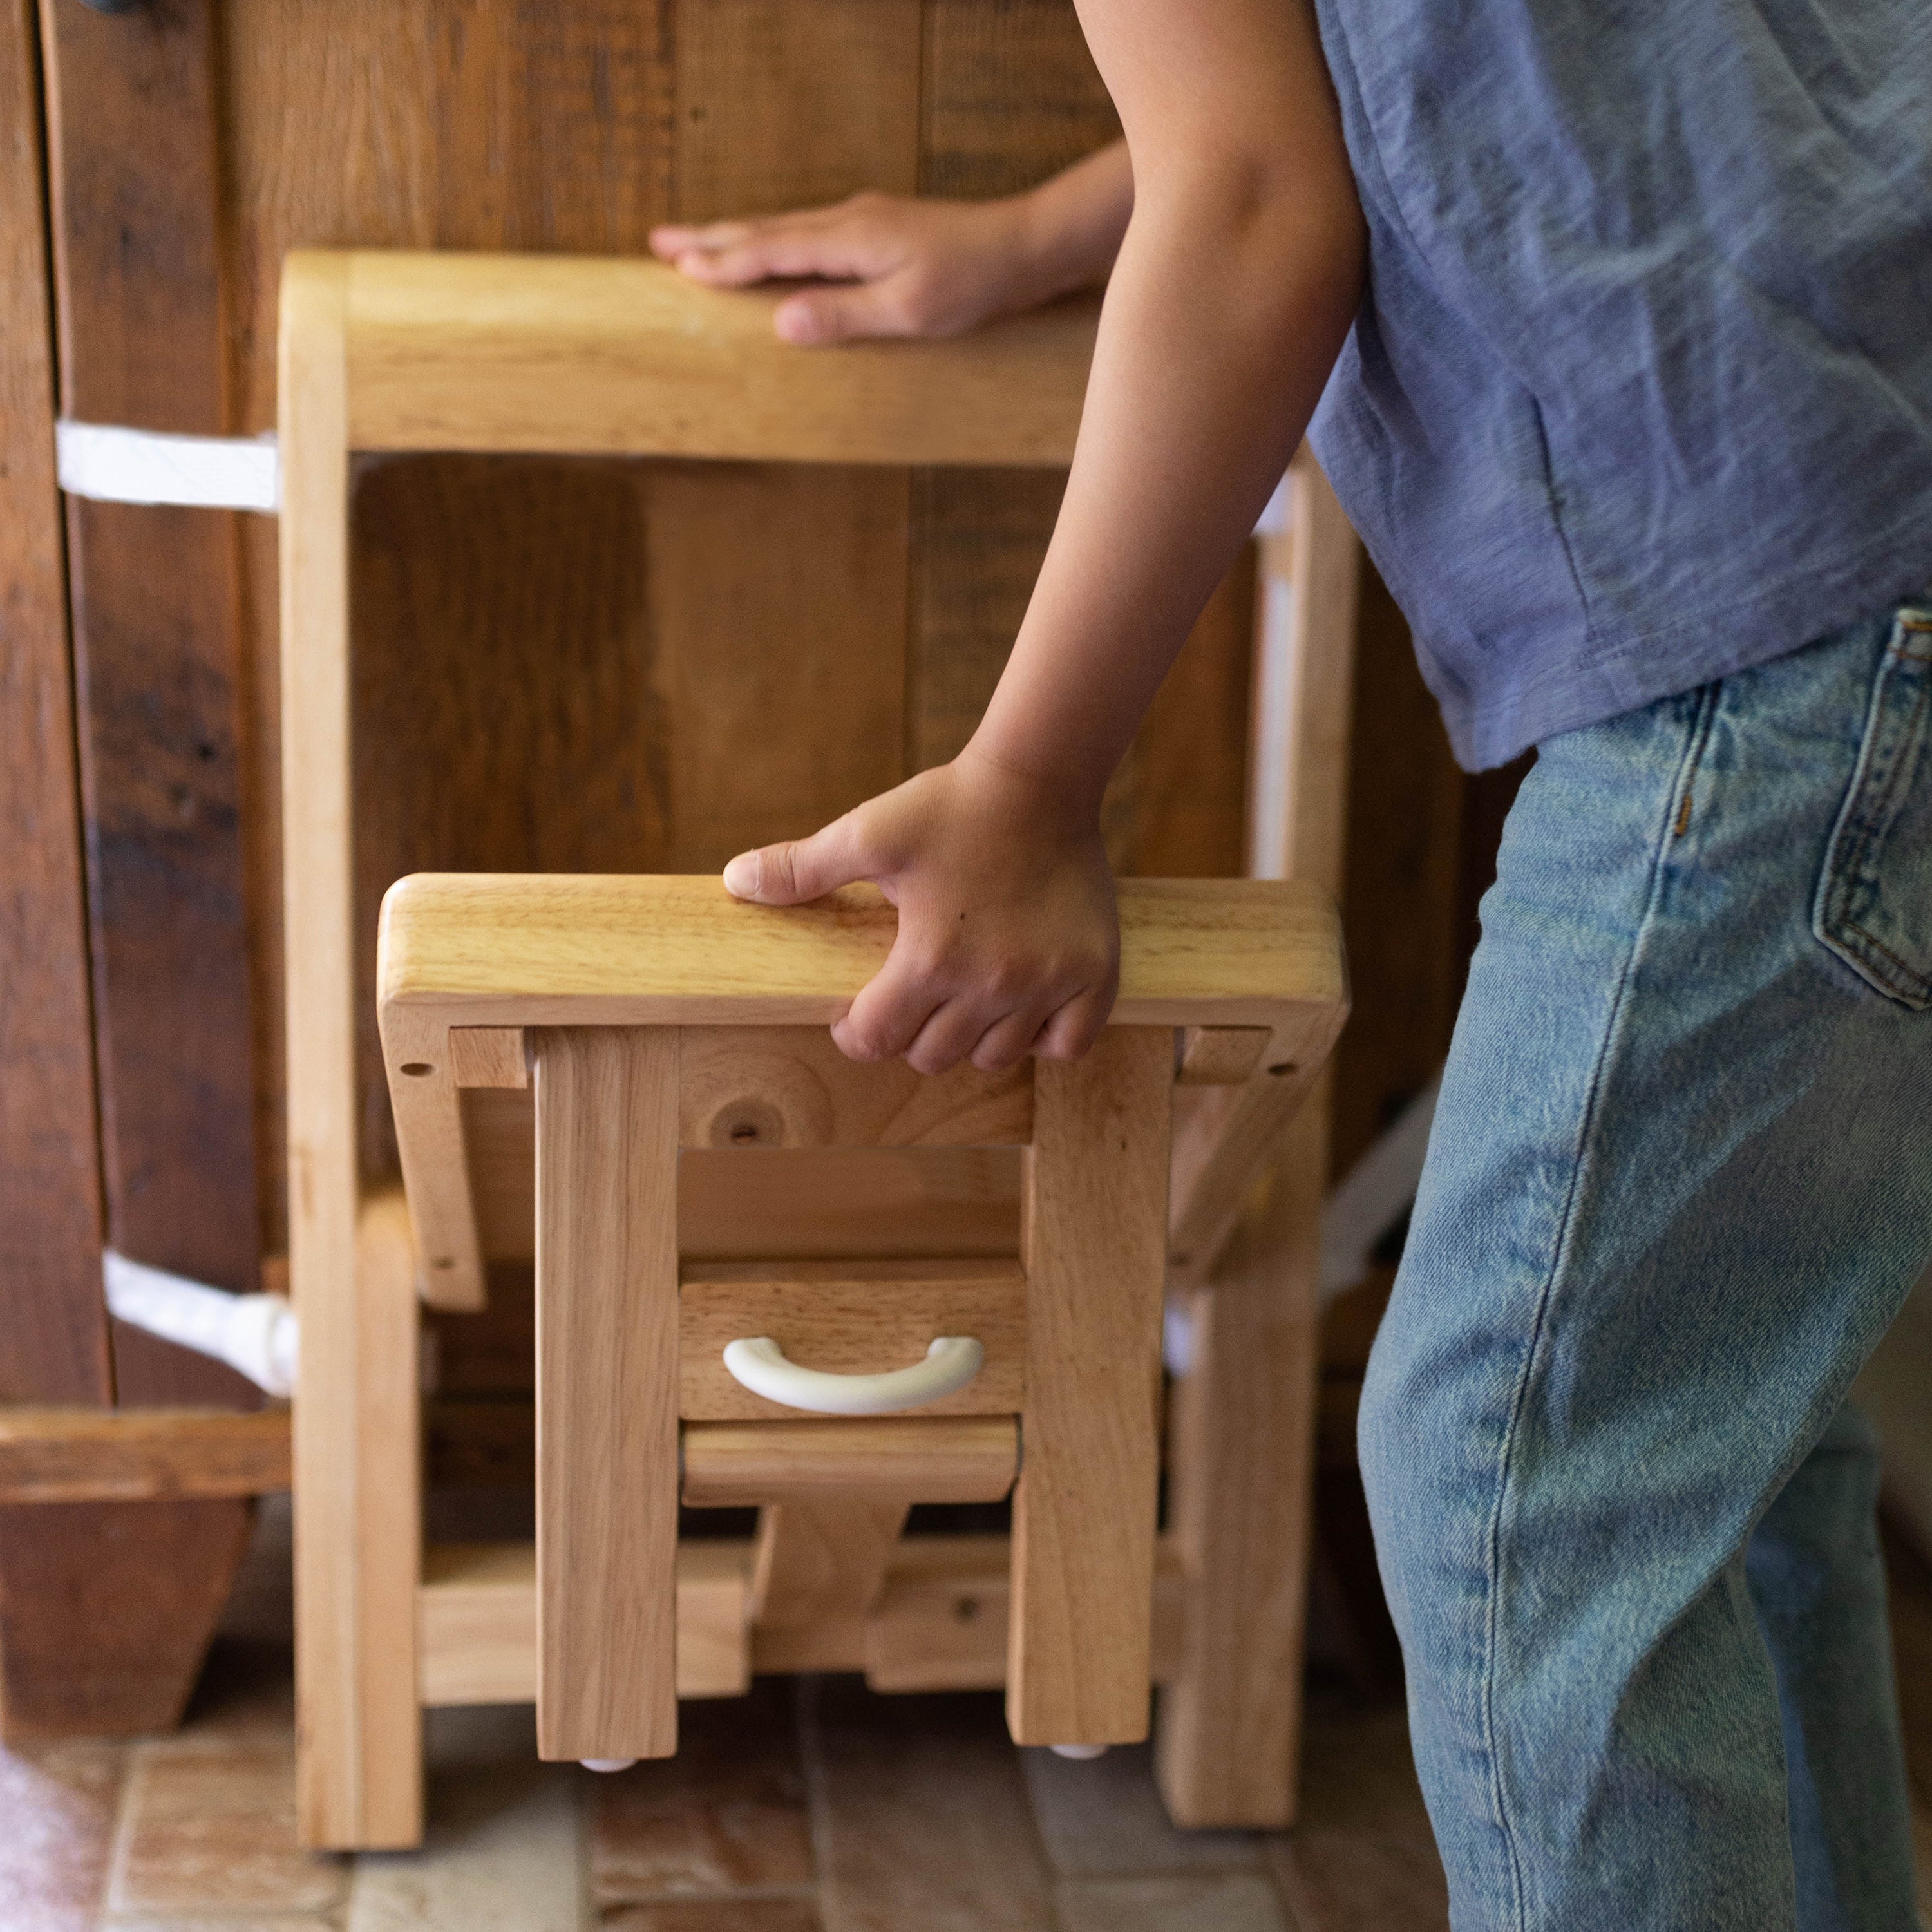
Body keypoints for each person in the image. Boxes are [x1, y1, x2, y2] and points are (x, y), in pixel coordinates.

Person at [649, 2, 1932, 1926]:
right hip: (1864, 502)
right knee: (1707, 1452)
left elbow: (1259, 197)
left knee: (1525, 1476)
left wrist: (1029, 776)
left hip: (1778, 623)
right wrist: (1063, 225)